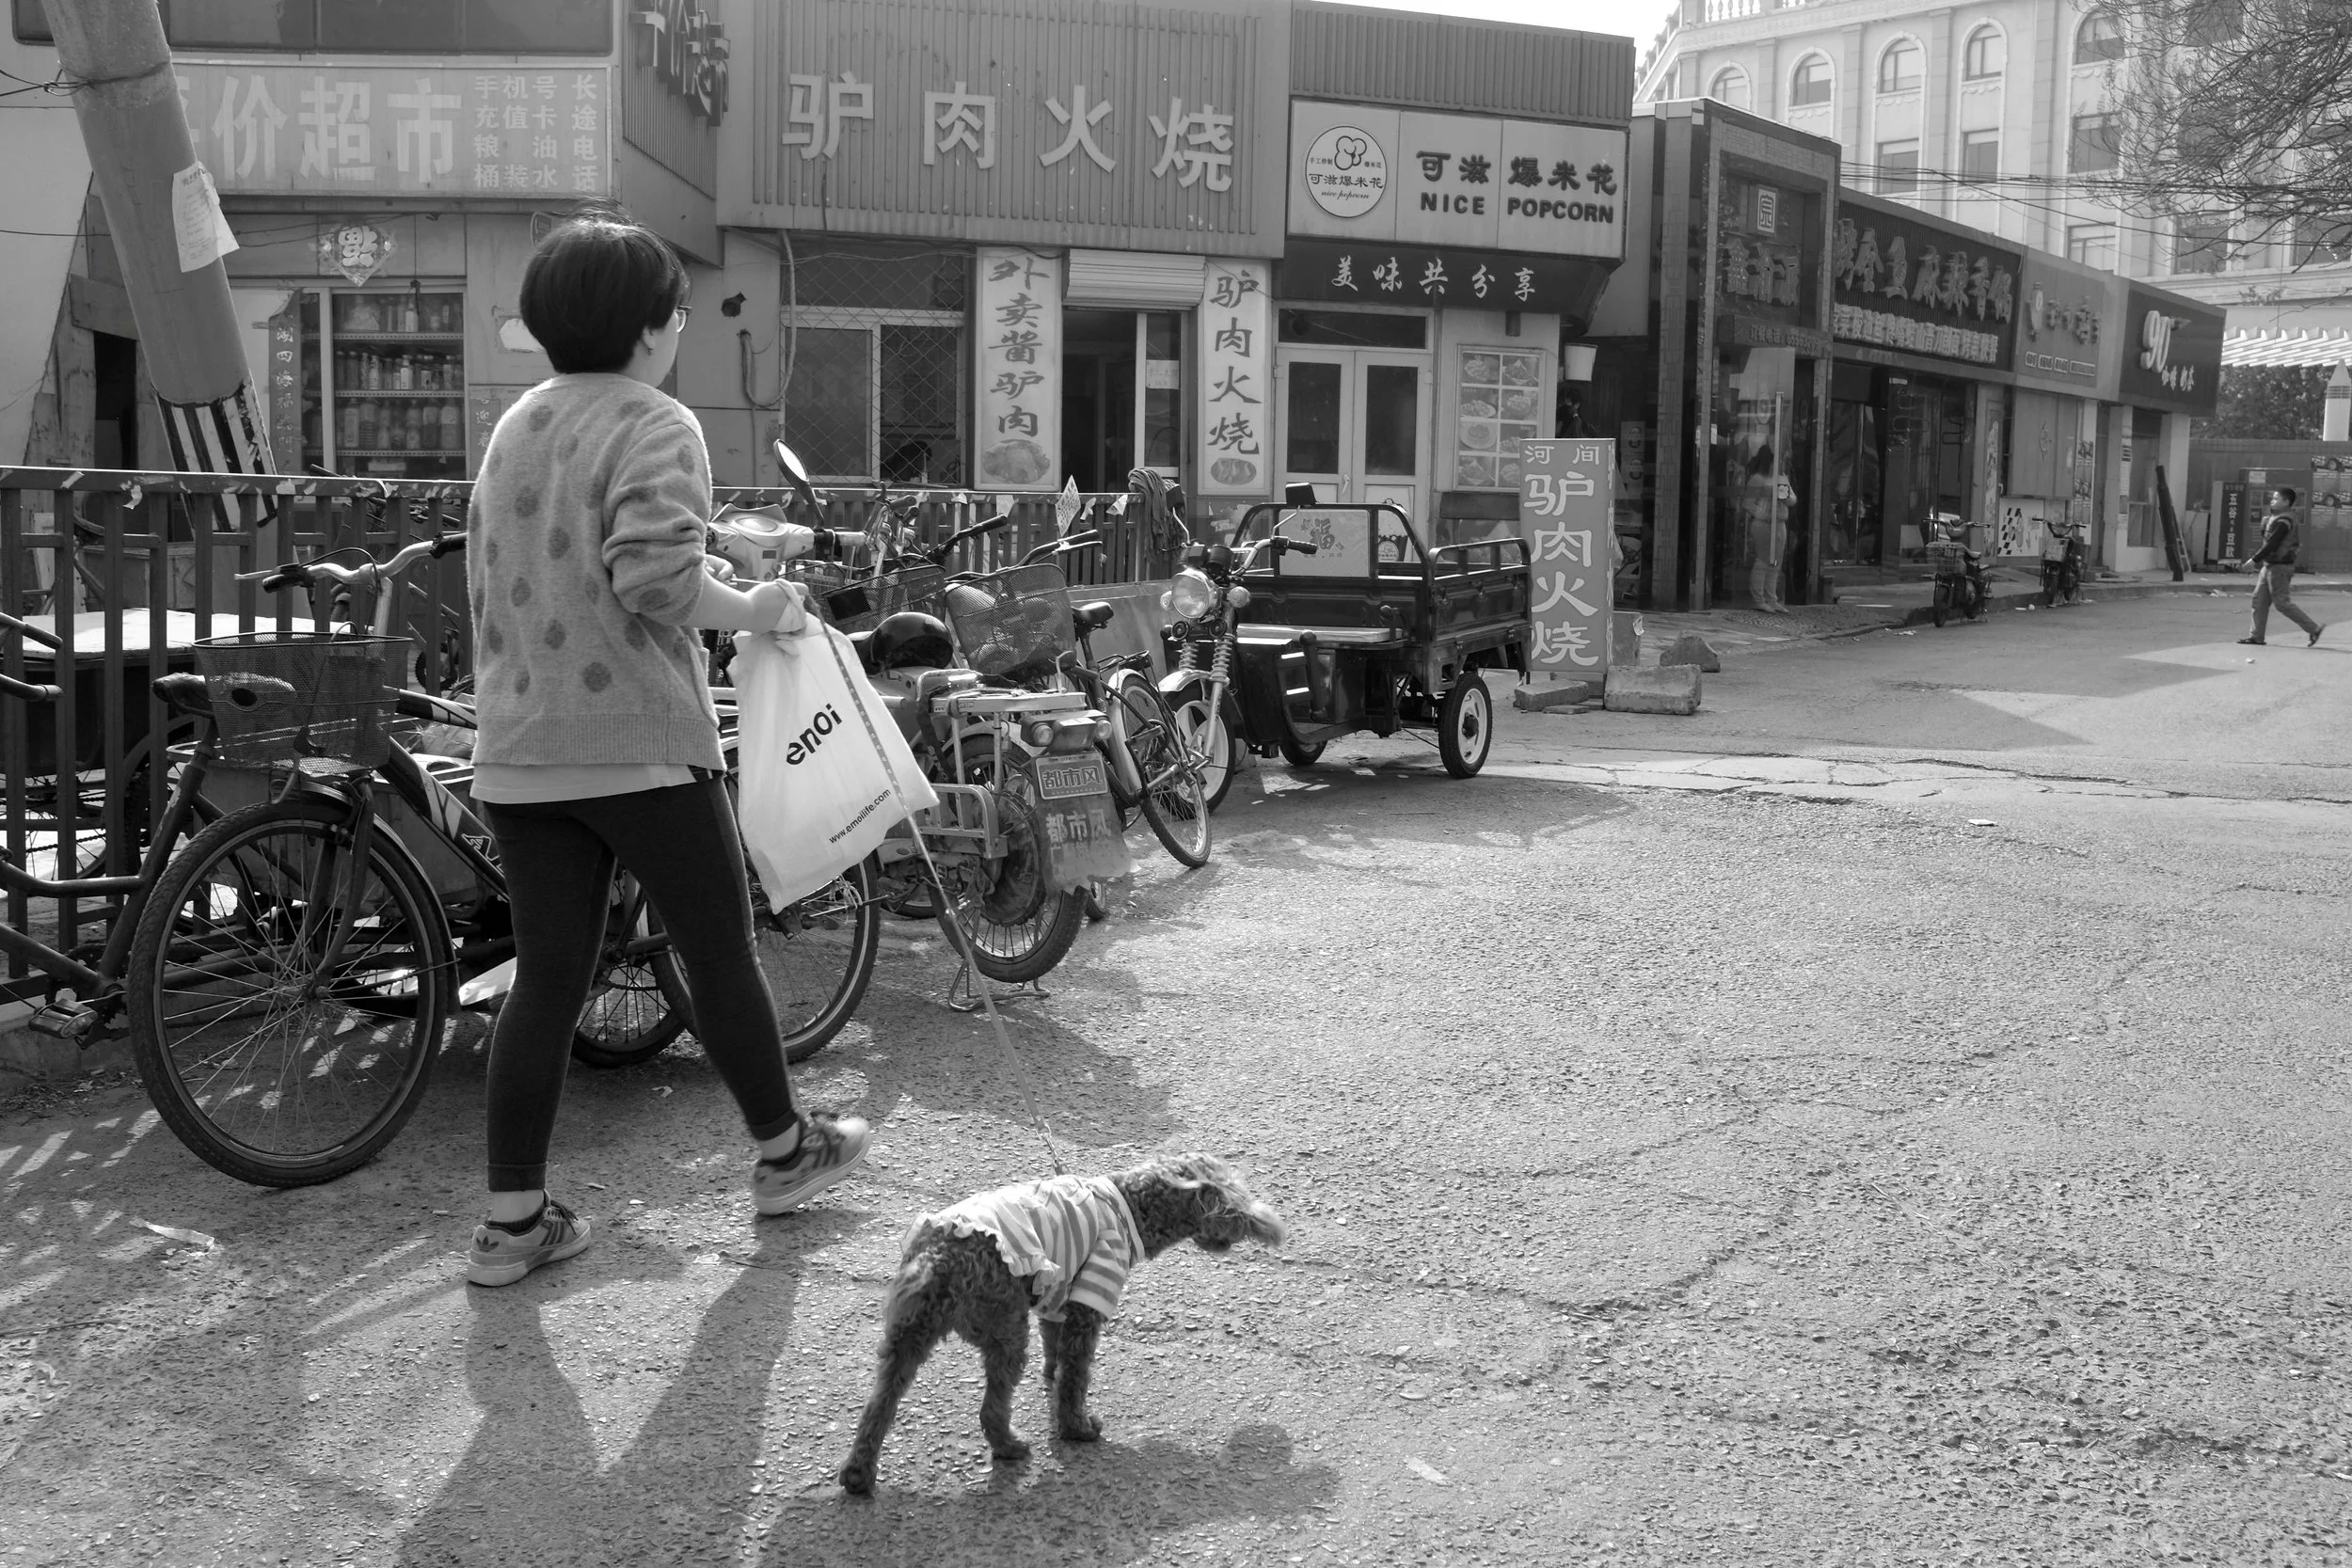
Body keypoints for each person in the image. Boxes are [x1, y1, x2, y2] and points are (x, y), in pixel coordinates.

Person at [461, 204, 869, 1288]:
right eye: (678, 314)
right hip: (637, 739)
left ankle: (511, 1222)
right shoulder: (657, 418)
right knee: (717, 947)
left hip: (516, 745)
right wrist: (765, 606)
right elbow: (656, 580)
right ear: (650, 326)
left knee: (546, 980)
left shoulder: (514, 426)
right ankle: (785, 1152)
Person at [2238, 486, 2325, 647]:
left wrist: (2253, 560)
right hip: (2270, 566)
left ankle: (2313, 628)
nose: (2272, 500)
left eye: (2276, 498)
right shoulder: (2277, 517)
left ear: (2286, 502)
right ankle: (2256, 637)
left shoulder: (2284, 521)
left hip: (2279, 568)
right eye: (2273, 498)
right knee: (2259, 600)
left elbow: (2272, 544)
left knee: (2282, 603)